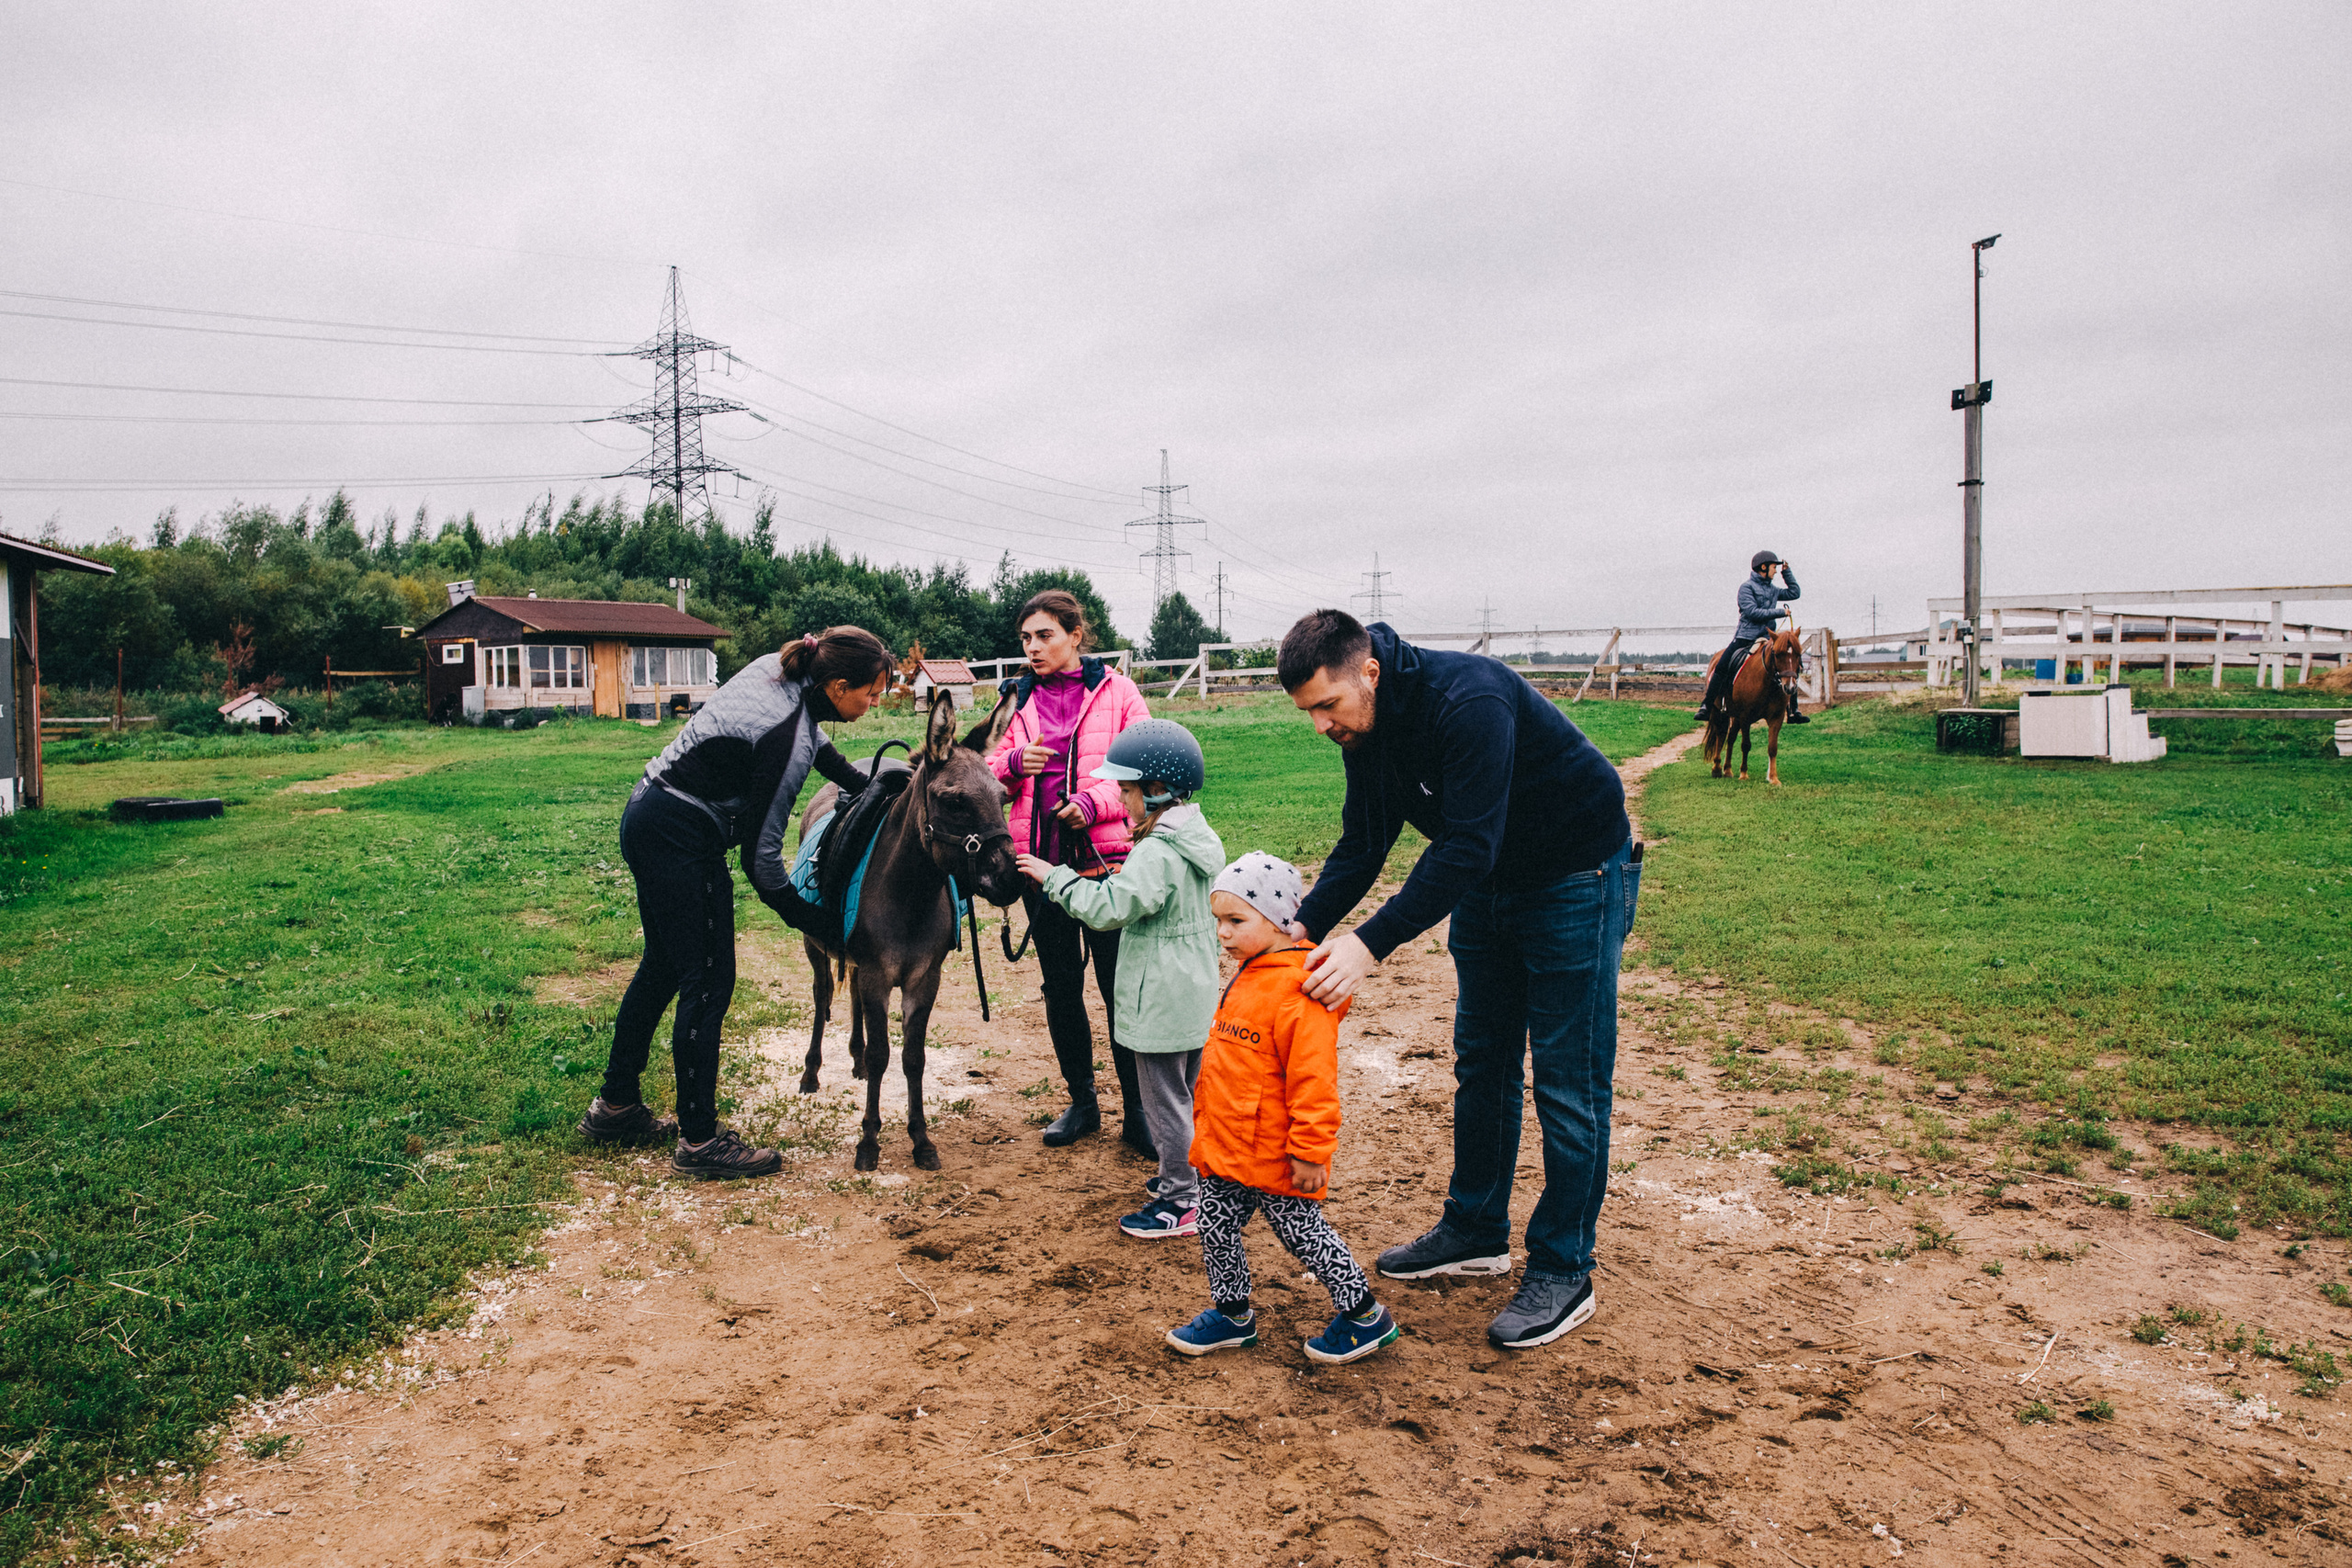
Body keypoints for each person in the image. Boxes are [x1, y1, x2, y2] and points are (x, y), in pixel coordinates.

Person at [1277, 608, 1639, 1350]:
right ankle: (1476, 1228)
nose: (1320, 726)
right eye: (1307, 711)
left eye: (1326, 705)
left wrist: (1369, 944)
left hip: (1575, 874)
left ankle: (1565, 1267)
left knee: (1568, 1081)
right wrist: (1303, 927)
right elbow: (1364, 839)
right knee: (1484, 1058)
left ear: (1367, 671)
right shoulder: (1366, 726)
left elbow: (1469, 842)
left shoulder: (1468, 699)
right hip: (1491, 882)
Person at [577, 626, 895, 1179]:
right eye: (870, 694)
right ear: (838, 686)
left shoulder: (783, 669)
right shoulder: (786, 740)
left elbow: (811, 737)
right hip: (680, 836)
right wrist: (818, 922)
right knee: (707, 979)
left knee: (662, 967)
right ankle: (700, 1141)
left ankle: (616, 1106)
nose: (873, 704)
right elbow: (762, 860)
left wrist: (858, 780)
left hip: (649, 813)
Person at [1164, 852, 1401, 1365]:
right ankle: (1231, 1315)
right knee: (1215, 1225)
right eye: (1218, 921)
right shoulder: (1248, 973)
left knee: (1303, 1234)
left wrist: (1311, 1151)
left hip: (1273, 1152)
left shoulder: (1299, 990)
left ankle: (1364, 1315)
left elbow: (1315, 1083)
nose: (1222, 933)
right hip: (1226, 1147)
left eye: (1235, 921)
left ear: (1278, 922)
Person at [1015, 719, 1223, 1239]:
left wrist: (1053, 876)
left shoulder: (1154, 851)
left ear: (1156, 791)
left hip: (1159, 1000)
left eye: (1127, 791)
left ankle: (1182, 1201)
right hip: (1192, 992)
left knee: (1164, 1103)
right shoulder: (1194, 837)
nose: (1121, 800)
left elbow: (1109, 910)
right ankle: (1191, 1180)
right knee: (1187, 1093)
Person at [987, 591, 1153, 1151]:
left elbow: (1145, 771)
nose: (1033, 648)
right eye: (1026, 639)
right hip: (1039, 866)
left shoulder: (1120, 692)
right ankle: (1082, 1104)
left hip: (1107, 869)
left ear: (1076, 635)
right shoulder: (1014, 699)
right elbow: (983, 774)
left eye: (1044, 636)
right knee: (1061, 987)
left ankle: (1140, 1114)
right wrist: (1012, 764)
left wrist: (1093, 803)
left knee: (1118, 990)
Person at [1694, 550, 1807, 724]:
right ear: (1763, 567)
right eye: (1773, 567)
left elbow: (1794, 593)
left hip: (1767, 638)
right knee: (1723, 665)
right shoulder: (1746, 588)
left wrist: (1787, 572)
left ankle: (1793, 711)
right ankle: (1707, 706)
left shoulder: (1773, 589)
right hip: (1745, 637)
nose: (1775, 571)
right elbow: (1752, 612)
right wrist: (1780, 612)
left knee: (1789, 664)